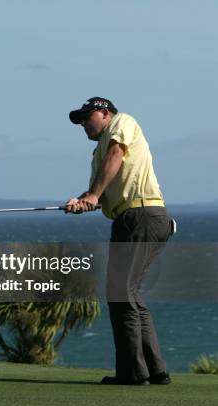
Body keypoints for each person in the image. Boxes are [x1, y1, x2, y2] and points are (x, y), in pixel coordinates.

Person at [64, 97, 172, 386]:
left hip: (140, 215)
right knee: (130, 294)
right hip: (136, 218)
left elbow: (116, 156)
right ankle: (155, 370)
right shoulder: (99, 152)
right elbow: (102, 189)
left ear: (105, 113)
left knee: (120, 294)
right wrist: (83, 201)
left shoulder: (122, 122)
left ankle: (133, 373)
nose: (84, 123)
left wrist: (93, 196)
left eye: (88, 117)